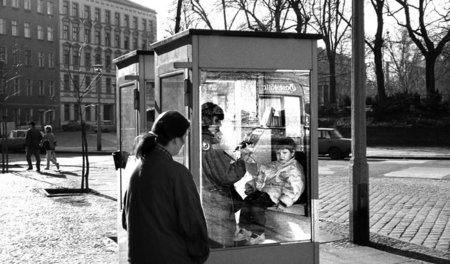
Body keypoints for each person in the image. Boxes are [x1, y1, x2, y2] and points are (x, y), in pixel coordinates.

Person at [122, 111, 209, 264]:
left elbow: (125, 220)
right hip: (171, 257)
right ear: (175, 139)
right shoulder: (177, 173)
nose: (184, 143)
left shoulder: (137, 168)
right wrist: (200, 255)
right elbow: (193, 223)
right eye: (185, 137)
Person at [235, 137, 305, 245]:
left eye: (284, 153)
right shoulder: (275, 165)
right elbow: (262, 177)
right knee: (247, 201)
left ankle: (258, 233)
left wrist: (284, 201)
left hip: (277, 194)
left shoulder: (293, 169)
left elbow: (294, 186)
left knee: (257, 206)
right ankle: (244, 229)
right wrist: (252, 186)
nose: (281, 156)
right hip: (266, 191)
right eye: (278, 153)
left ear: (292, 153)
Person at [201, 102, 247, 248]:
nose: (219, 124)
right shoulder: (209, 143)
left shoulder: (198, 138)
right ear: (207, 120)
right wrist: (243, 159)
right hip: (217, 201)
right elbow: (227, 176)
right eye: (217, 121)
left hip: (206, 197)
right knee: (222, 242)